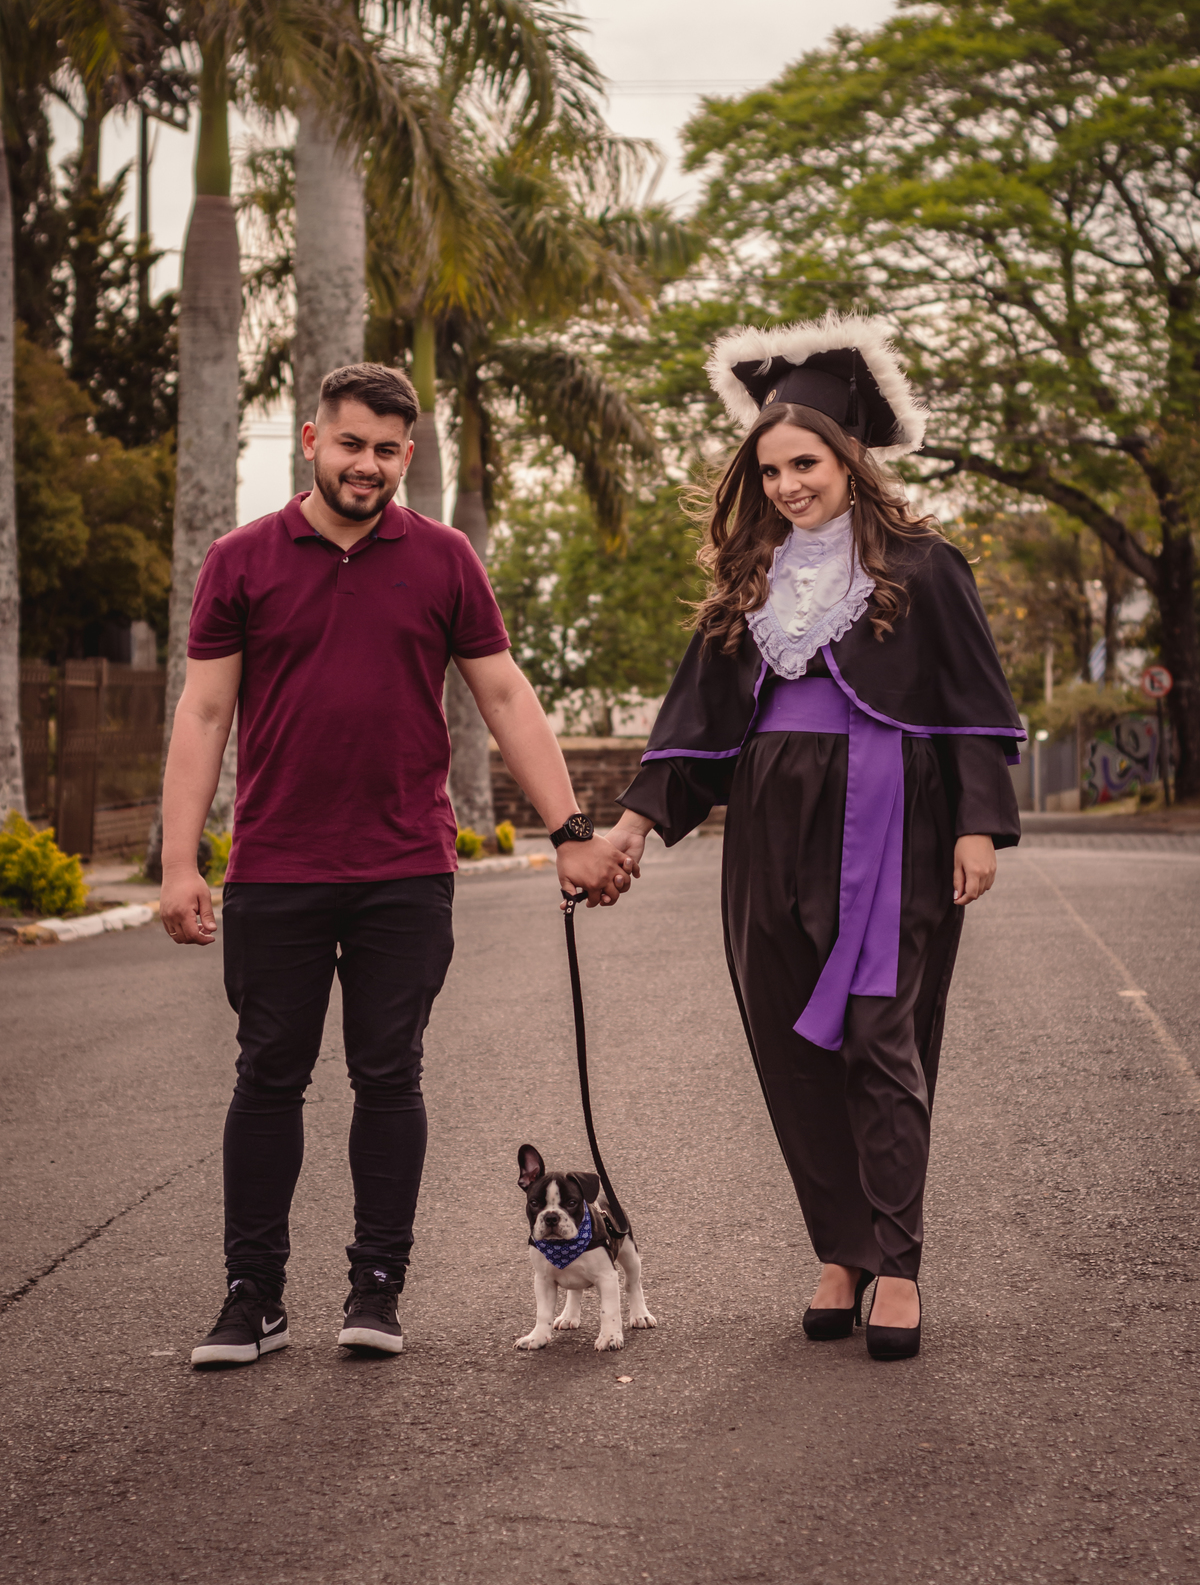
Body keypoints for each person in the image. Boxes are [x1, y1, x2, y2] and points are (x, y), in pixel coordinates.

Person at [161, 362, 636, 1369]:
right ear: (310, 441)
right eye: (349, 444)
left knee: (389, 1076)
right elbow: (203, 712)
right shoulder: (241, 561)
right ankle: (253, 1297)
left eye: (386, 450)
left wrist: (572, 832)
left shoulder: (444, 558)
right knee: (267, 1076)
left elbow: (505, 696)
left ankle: (376, 1287)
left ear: (407, 456)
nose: (366, 465)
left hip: (405, 866)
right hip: (275, 866)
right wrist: (177, 861)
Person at [605, 315, 1023, 1361]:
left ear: (851, 460)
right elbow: (691, 730)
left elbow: (972, 703)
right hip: (767, 829)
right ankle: (839, 1248)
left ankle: (897, 1259)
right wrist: (625, 831)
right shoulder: (747, 584)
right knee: (788, 1042)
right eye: (774, 467)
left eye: (809, 463)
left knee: (880, 1036)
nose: (790, 483)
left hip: (890, 824)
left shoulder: (924, 568)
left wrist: (978, 824)